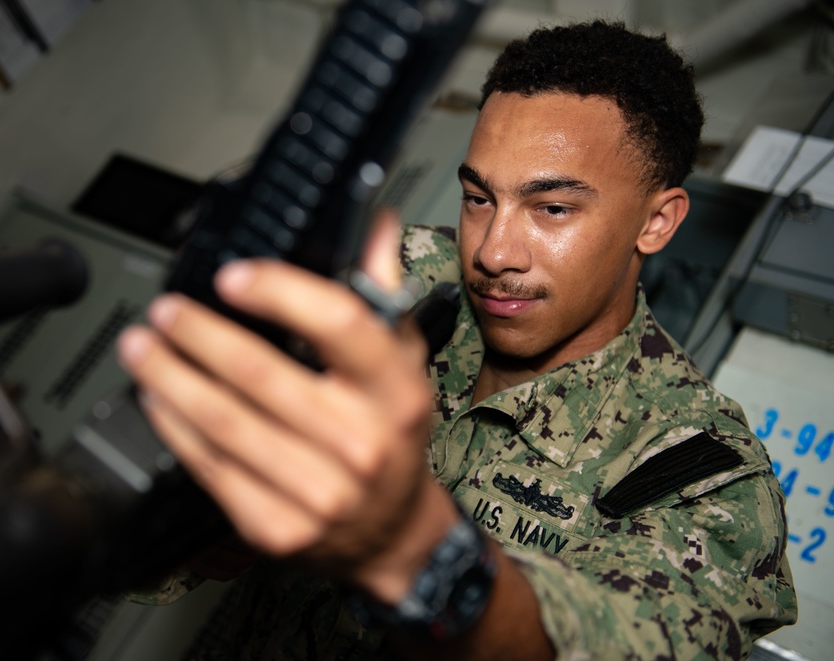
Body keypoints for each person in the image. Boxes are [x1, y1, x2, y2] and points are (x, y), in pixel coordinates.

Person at [116, 19, 797, 660]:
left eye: (552, 208)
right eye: (478, 198)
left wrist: (409, 549)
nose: (495, 250)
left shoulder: (703, 478)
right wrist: (207, 522)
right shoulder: (399, 280)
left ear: (657, 222)